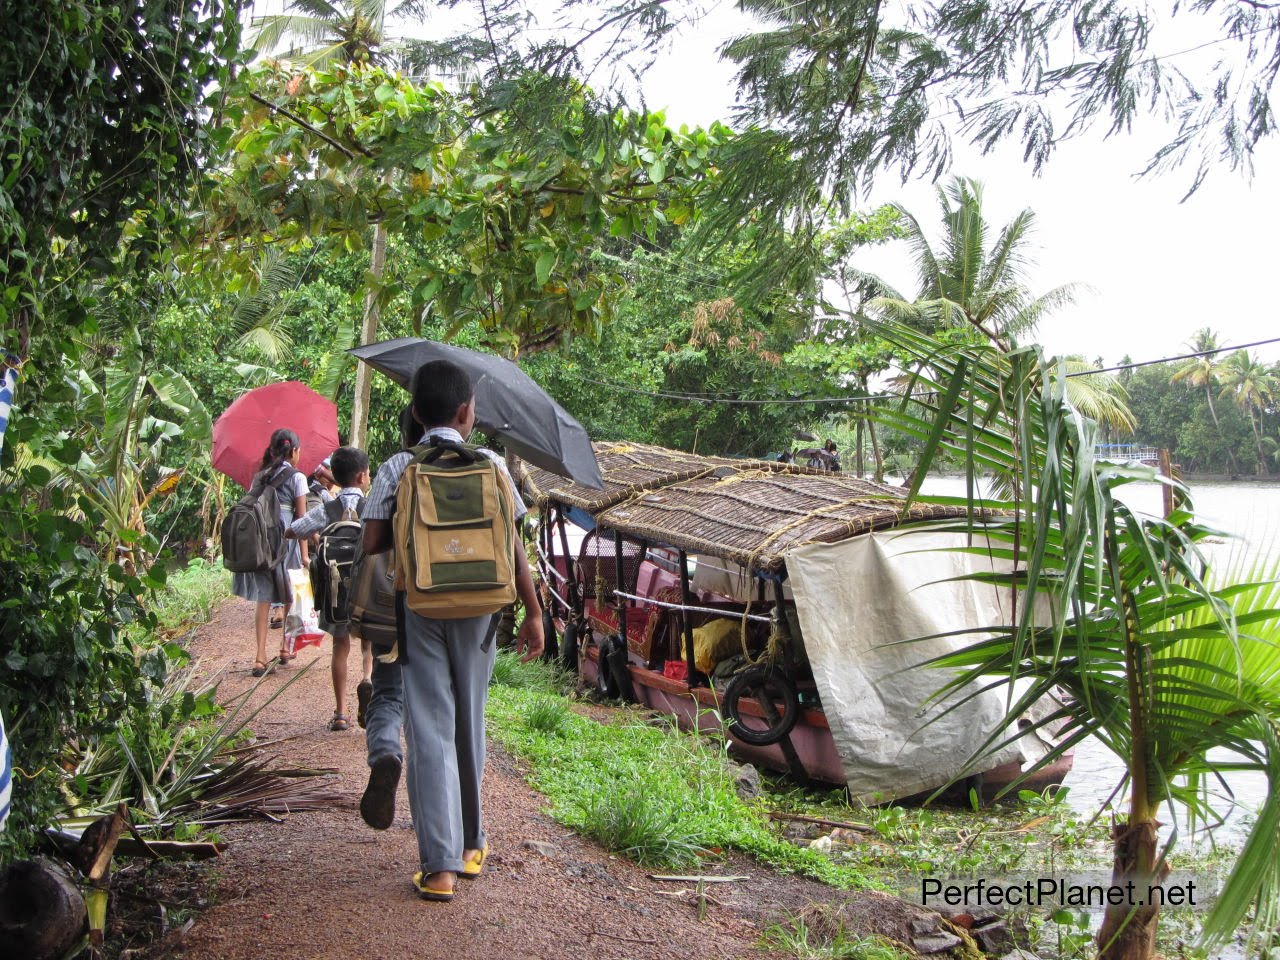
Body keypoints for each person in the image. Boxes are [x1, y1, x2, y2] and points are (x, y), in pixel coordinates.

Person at [360, 361, 543, 903]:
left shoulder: (399, 466)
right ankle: (471, 846)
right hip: (484, 612)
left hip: (421, 607)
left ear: (416, 412)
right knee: (471, 719)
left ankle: (438, 868)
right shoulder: (491, 464)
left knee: (430, 727)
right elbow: (513, 543)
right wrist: (534, 613)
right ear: (467, 413)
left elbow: (370, 543)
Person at [286, 446, 373, 731]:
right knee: (369, 643)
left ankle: (340, 711)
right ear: (362, 477)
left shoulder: (328, 507)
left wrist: (316, 536)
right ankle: (368, 681)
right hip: (369, 592)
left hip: (337, 592)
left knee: (340, 646)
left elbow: (293, 530)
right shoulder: (373, 508)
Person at [231, 428, 308, 677]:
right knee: (288, 595)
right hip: (287, 540)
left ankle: (260, 657)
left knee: (264, 598)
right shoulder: (298, 478)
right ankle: (285, 648)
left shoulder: (260, 476)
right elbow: (301, 519)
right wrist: (305, 555)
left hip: (262, 541)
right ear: (294, 451)